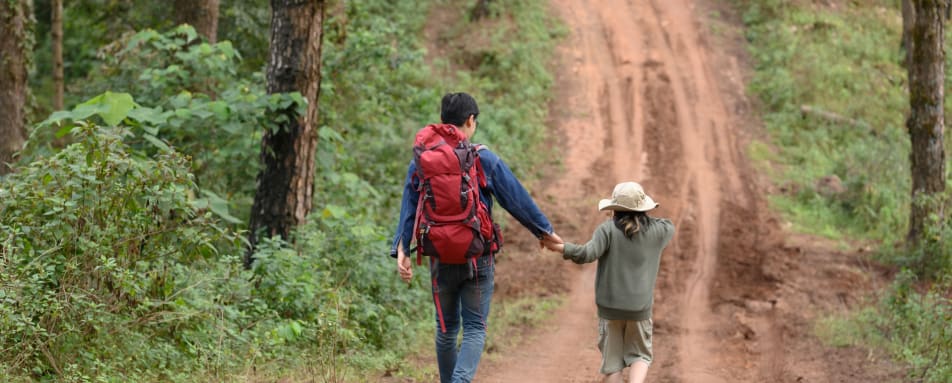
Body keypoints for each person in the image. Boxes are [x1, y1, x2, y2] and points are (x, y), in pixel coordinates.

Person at [391, 92, 562, 383]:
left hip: (439, 256)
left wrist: (401, 247)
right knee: (474, 328)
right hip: (477, 256)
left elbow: (410, 204)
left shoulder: (423, 159)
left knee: (446, 329)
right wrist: (545, 232)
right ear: (470, 121)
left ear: (444, 121)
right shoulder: (481, 156)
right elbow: (515, 198)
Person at [542, 181, 674, 383]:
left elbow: (586, 254)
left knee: (613, 364)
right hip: (640, 309)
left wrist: (560, 247)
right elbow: (667, 224)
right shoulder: (660, 231)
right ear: (643, 208)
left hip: (610, 308)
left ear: (614, 210)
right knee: (641, 355)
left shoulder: (607, 230)